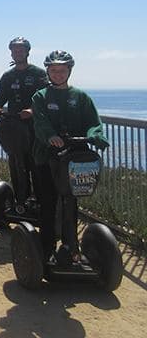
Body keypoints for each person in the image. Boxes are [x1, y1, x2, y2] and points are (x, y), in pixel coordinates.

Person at [32, 50, 109, 264]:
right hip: (47, 158)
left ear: (69, 71)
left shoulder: (80, 97)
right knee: (48, 203)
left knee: (71, 203)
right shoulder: (40, 97)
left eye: (62, 70)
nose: (58, 74)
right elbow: (40, 122)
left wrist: (96, 135)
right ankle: (47, 248)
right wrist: (50, 136)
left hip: (74, 160)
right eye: (54, 70)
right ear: (48, 72)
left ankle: (71, 247)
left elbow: (93, 122)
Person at [0, 37, 48, 213]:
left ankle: (39, 200)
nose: (18, 53)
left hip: (34, 127)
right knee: (16, 162)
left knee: (35, 163)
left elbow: (45, 96)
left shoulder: (38, 74)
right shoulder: (8, 76)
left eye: (21, 50)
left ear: (27, 52)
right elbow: (0, 97)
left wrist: (32, 110)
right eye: (15, 50)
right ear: (11, 53)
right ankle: (20, 199)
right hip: (14, 126)